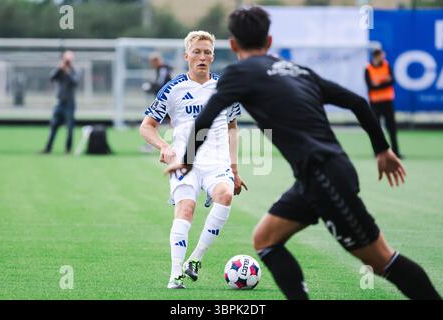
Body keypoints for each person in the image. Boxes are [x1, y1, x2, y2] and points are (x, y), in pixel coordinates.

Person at [166, 7, 441, 300]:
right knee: (265, 239)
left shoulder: (239, 74)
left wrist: (187, 160)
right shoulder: (297, 70)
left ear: (233, 45)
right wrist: (382, 149)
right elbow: (359, 102)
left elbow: (206, 119)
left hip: (326, 177)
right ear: (269, 42)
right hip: (315, 176)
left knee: (380, 260)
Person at [140, 30, 247, 289]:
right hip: (184, 161)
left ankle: (195, 260)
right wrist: (164, 146)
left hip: (216, 162)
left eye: (207, 52)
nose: (202, 57)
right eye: (197, 52)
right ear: (186, 55)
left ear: (213, 56)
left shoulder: (225, 88)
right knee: (186, 209)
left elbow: (232, 127)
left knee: (226, 195)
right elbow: (146, 126)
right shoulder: (173, 88)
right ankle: (175, 274)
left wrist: (234, 168)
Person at [365, 49, 402, 158]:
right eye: (382, 56)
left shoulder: (386, 65)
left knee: (392, 127)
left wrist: (378, 83)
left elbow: (391, 81)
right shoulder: (368, 68)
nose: (383, 58)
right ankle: (378, 152)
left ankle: (396, 152)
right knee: (376, 128)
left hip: (387, 101)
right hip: (375, 102)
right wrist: (384, 81)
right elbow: (370, 86)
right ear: (376, 56)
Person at [42, 50, 79, 154]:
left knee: (70, 129)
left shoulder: (75, 71)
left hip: (70, 104)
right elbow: (52, 77)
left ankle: (68, 150)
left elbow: (75, 82)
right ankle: (48, 148)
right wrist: (61, 68)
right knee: (53, 126)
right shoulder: (59, 70)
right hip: (59, 103)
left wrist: (67, 71)